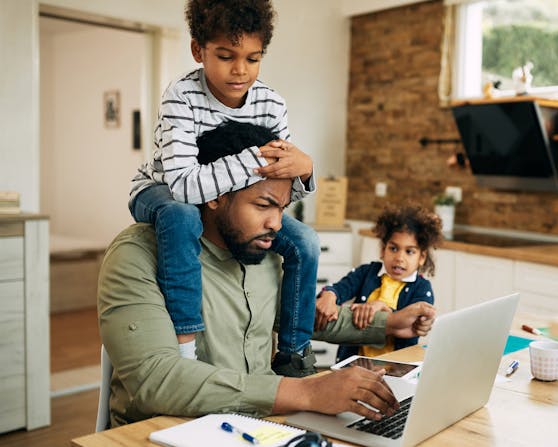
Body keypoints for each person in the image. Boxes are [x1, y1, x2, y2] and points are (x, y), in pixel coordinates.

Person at [99, 169, 437, 427]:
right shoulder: (140, 253)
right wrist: (309, 392)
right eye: (263, 205)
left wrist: (390, 323)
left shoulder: (265, 249)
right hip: (166, 430)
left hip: (259, 425)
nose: (276, 224)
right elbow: (155, 379)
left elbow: (300, 317)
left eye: (283, 208)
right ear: (215, 194)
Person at [128, 0, 319, 377]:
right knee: (182, 217)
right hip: (160, 187)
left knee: (306, 242)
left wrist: (306, 171)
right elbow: (183, 185)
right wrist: (254, 159)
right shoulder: (181, 96)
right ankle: (185, 348)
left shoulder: (270, 103)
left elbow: (276, 192)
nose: (239, 70)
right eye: (226, 56)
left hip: (218, 197)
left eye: (252, 58)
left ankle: (294, 352)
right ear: (199, 50)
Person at [314, 204, 443, 362]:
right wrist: (329, 294)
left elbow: (411, 322)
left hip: (394, 369)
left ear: (421, 257)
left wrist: (382, 307)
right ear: (383, 250)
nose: (399, 258)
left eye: (409, 251)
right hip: (355, 363)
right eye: (393, 248)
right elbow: (340, 289)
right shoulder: (366, 272)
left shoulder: (422, 289)